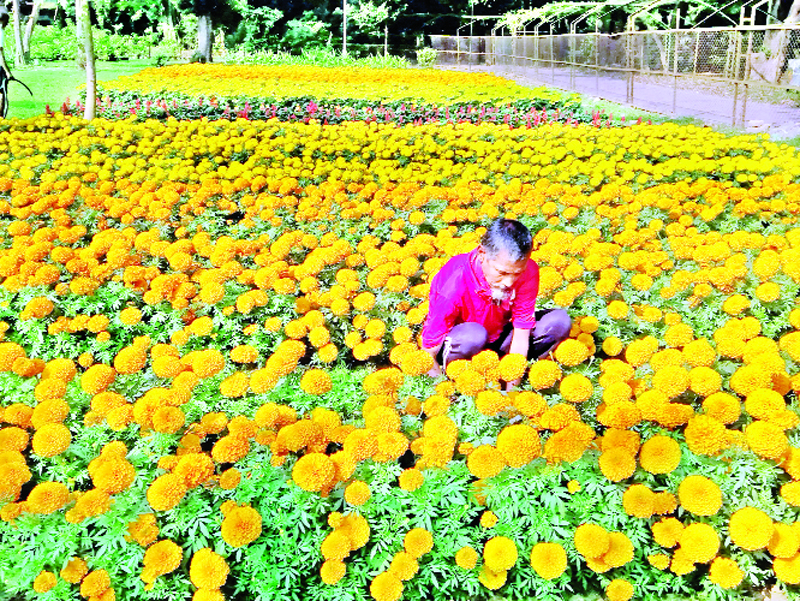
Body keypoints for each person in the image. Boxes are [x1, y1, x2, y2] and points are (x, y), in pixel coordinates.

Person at [421, 218, 572, 386]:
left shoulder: (527, 271)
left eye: (516, 273)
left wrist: (511, 392)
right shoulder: (453, 283)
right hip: (464, 343)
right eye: (502, 272)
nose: (509, 282)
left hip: (498, 338)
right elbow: (428, 352)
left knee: (558, 322)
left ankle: (506, 375)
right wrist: (444, 391)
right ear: (482, 254)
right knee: (475, 334)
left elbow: (522, 331)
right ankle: (462, 383)